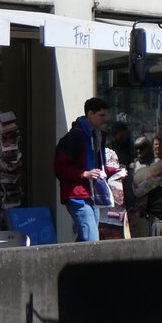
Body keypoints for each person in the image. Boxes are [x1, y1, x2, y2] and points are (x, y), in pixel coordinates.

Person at [54, 97, 117, 243]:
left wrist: (113, 171)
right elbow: (59, 168)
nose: (105, 119)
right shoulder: (75, 137)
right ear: (90, 114)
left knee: (87, 238)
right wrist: (84, 173)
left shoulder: (96, 136)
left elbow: (96, 166)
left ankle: (75, 264)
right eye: (102, 115)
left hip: (90, 194)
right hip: (78, 196)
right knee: (92, 240)